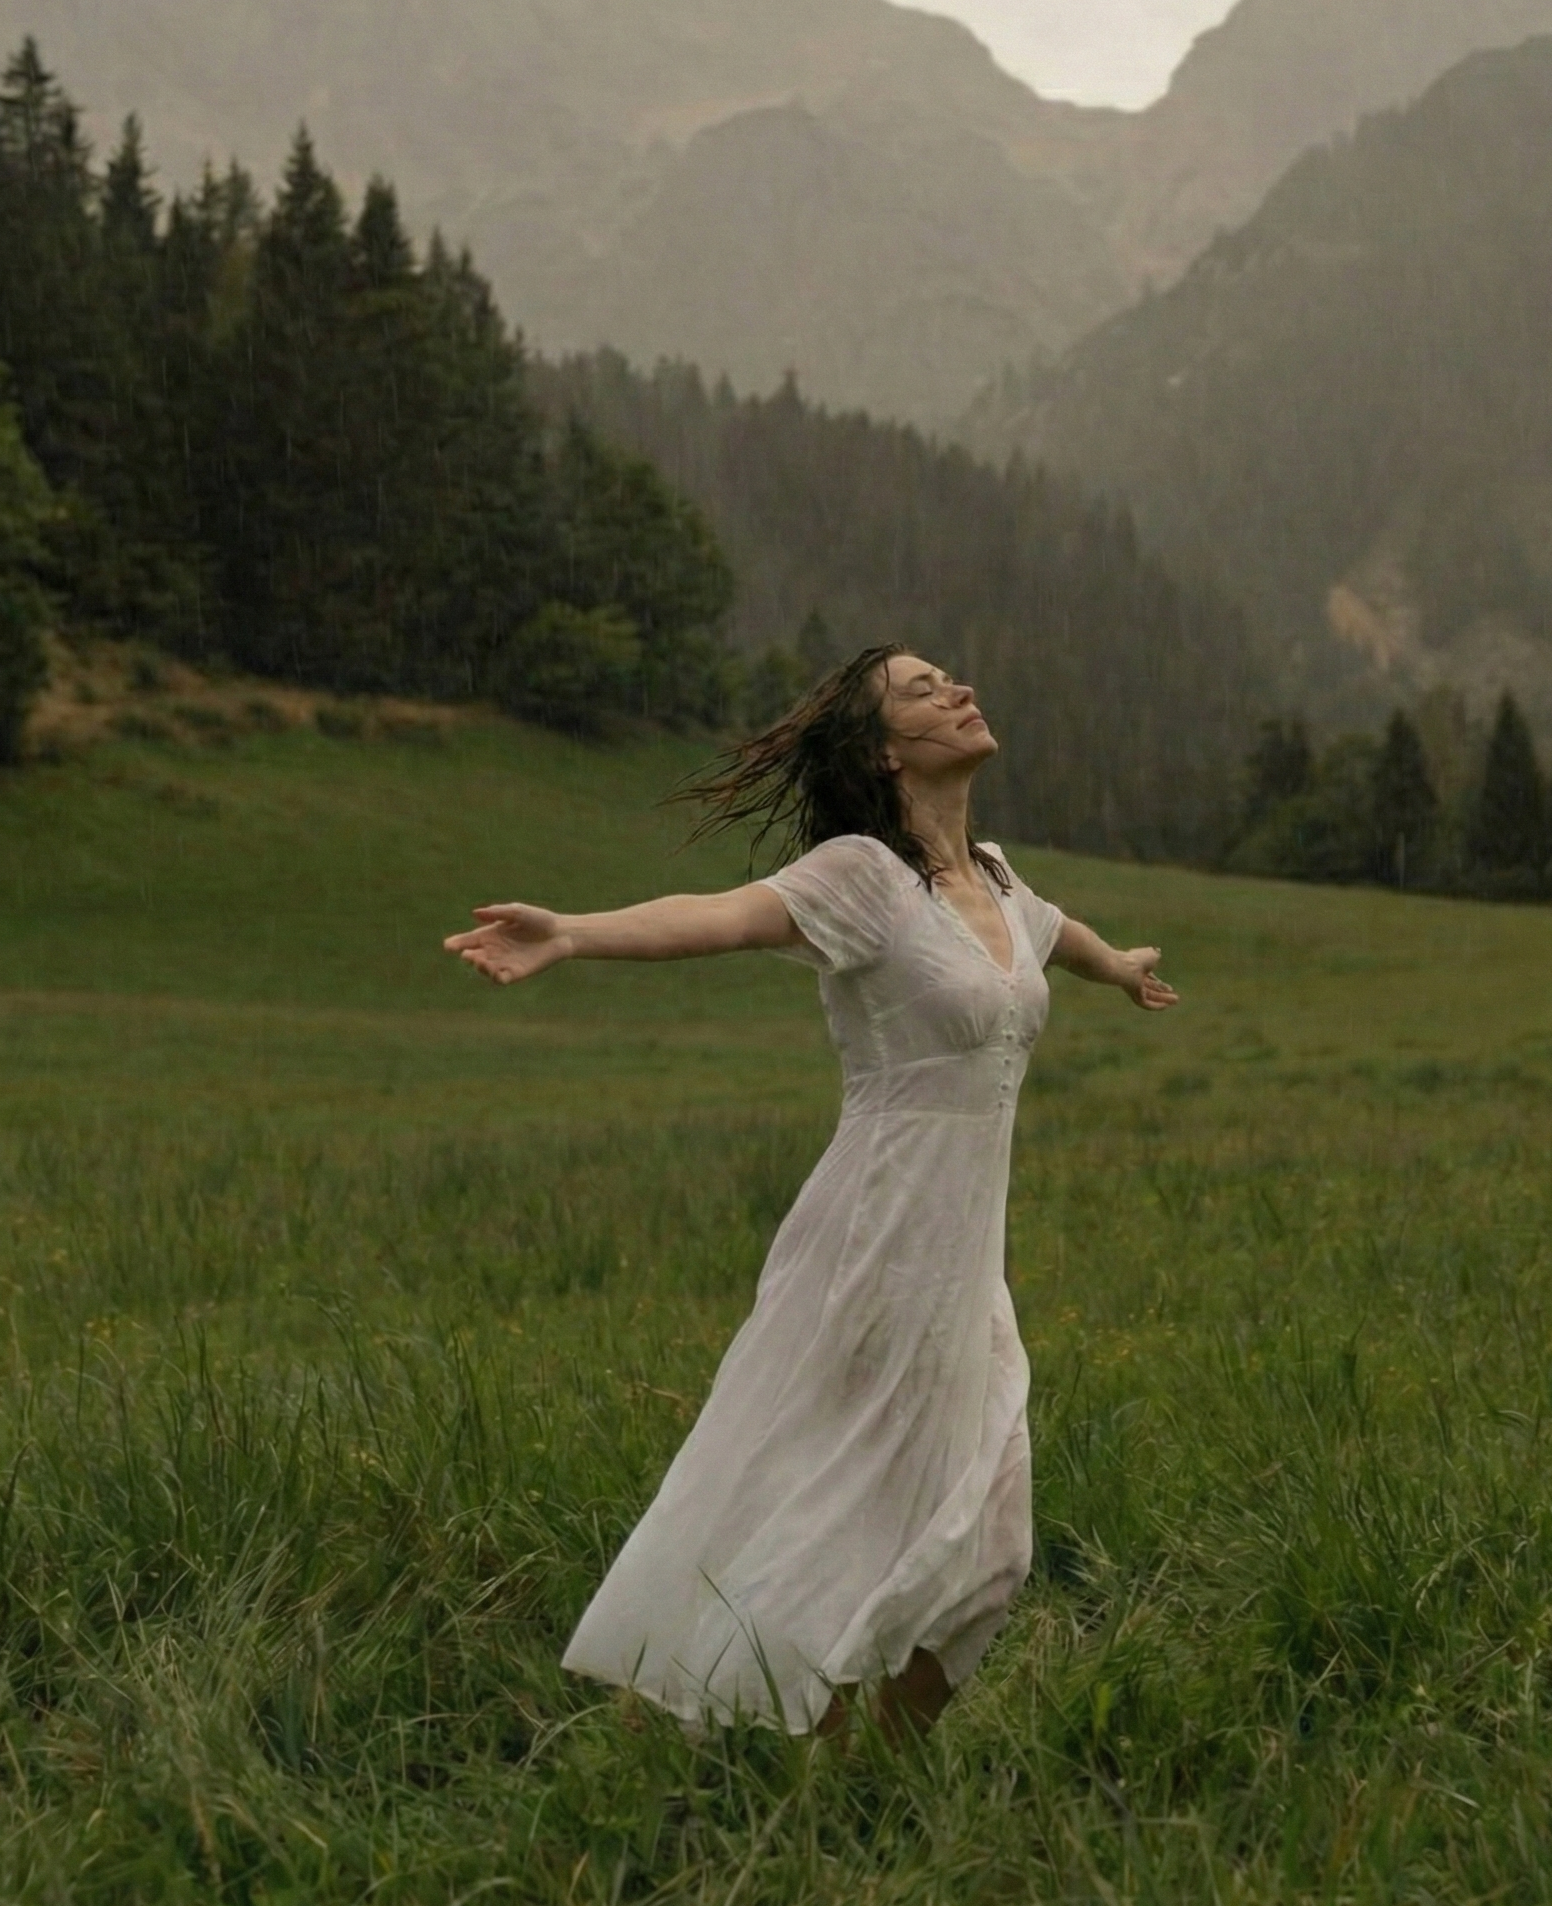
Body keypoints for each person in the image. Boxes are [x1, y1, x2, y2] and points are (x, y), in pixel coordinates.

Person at [444, 646, 1178, 1739]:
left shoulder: (995, 880)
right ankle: (742, 1742)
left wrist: (1115, 964)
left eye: (953, 679)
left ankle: (858, 1776)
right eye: (925, 690)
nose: (961, 691)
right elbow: (722, 915)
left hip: (963, 1264)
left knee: (992, 1549)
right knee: (841, 1517)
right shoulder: (862, 878)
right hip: (876, 1239)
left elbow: (1051, 932)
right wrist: (574, 933)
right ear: (884, 753)